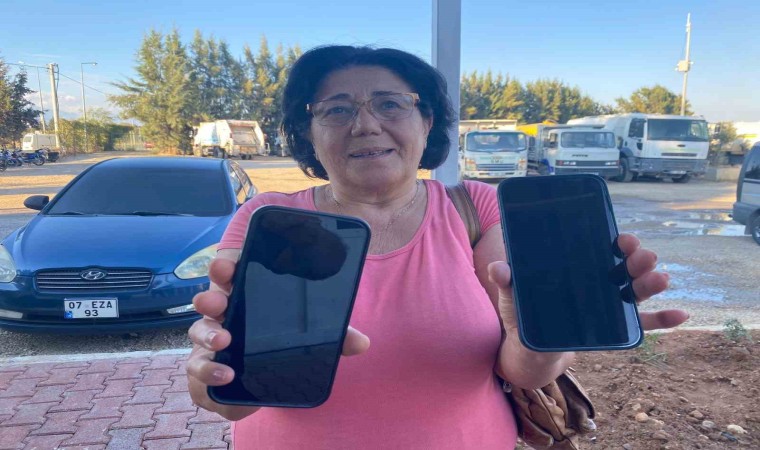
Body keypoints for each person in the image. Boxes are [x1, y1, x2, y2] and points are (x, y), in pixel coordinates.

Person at [187, 45, 689, 449]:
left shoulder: (477, 208)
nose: (365, 124)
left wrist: (548, 338)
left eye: (390, 104)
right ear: (308, 133)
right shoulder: (269, 219)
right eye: (336, 109)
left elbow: (520, 369)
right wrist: (212, 373)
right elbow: (229, 403)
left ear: (427, 123)